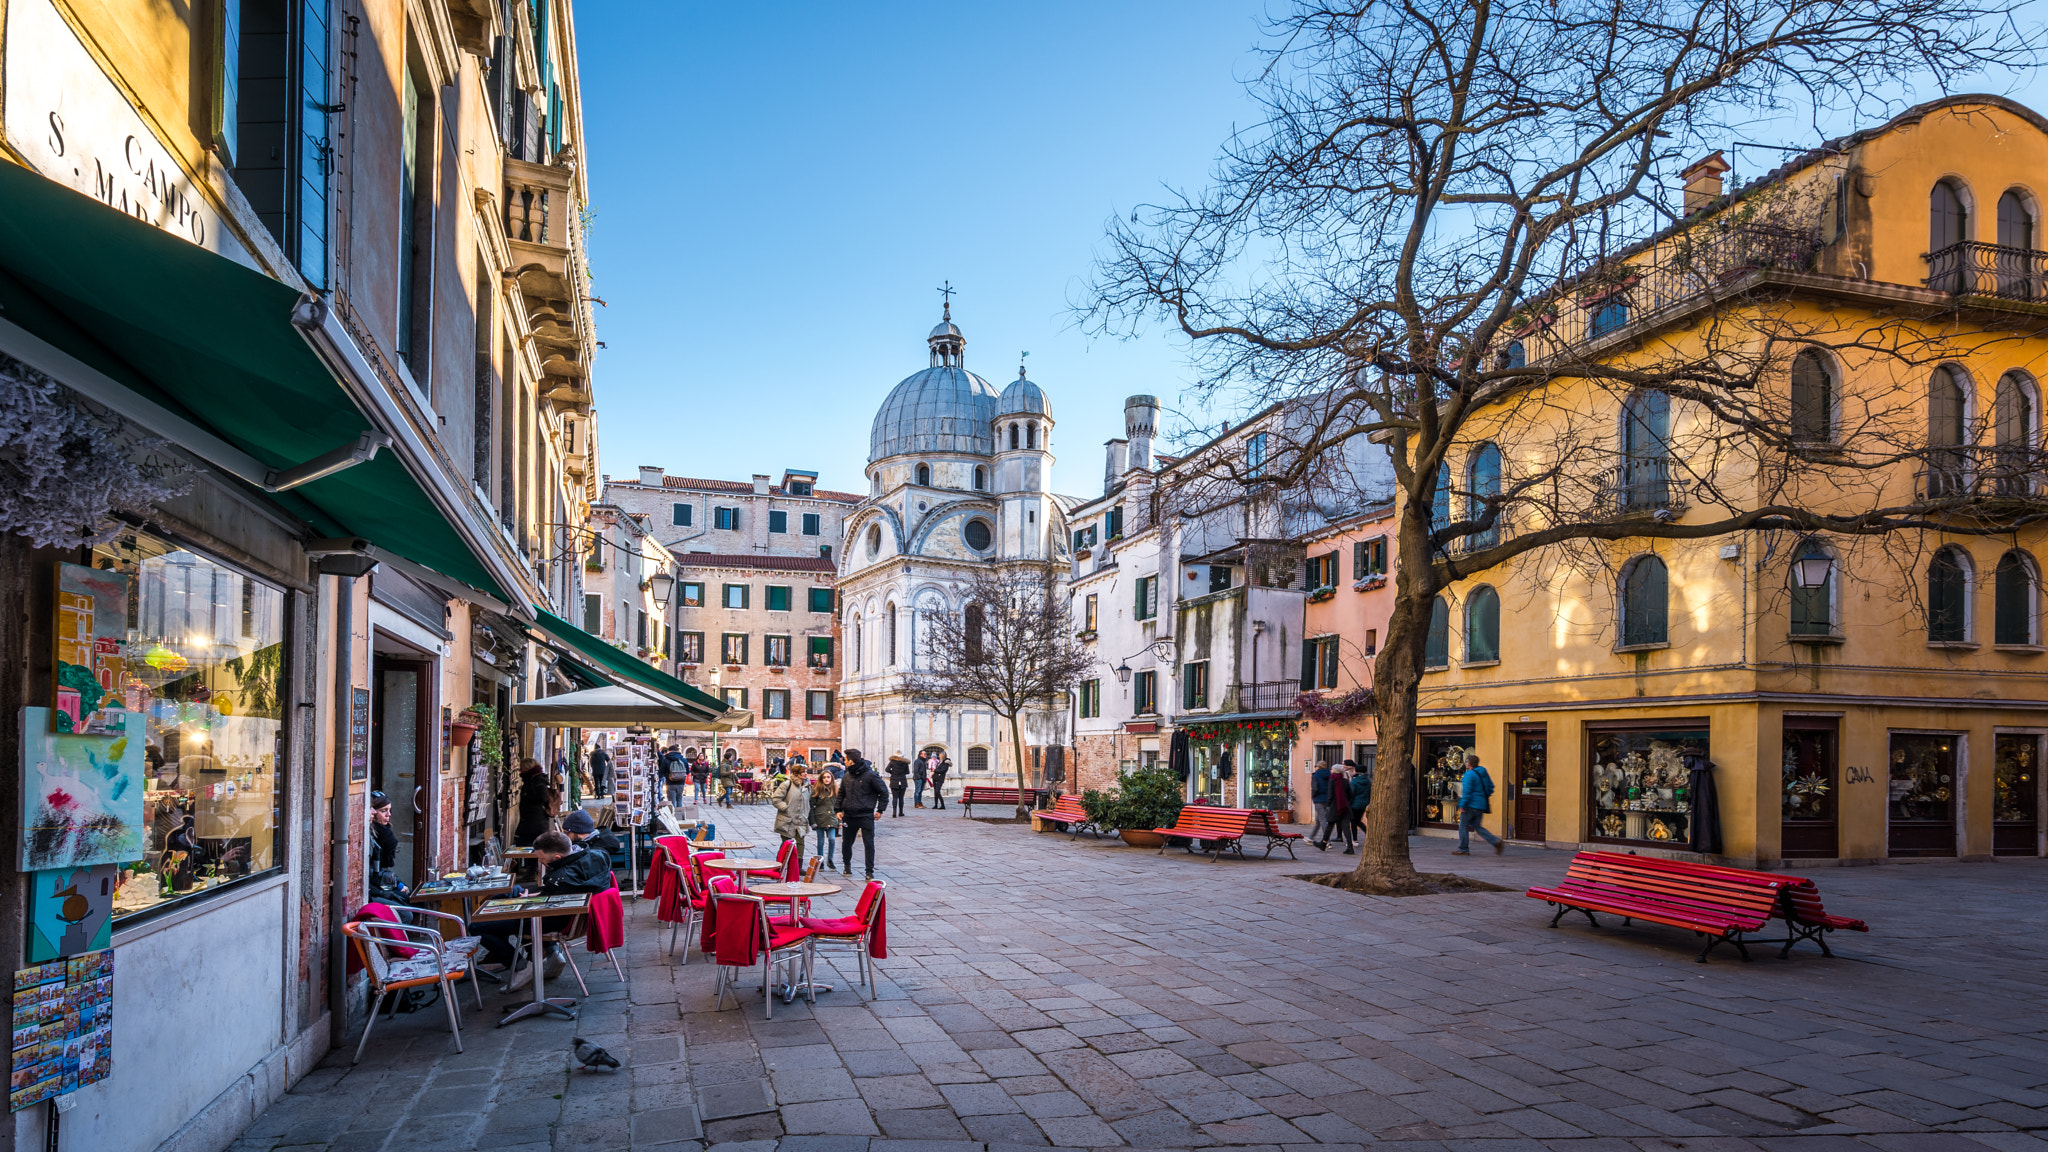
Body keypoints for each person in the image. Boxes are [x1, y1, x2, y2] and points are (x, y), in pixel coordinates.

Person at [474, 830, 611, 988]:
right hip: (566, 908)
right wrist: (532, 894)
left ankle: (522, 965)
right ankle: (550, 952)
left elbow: (552, 895)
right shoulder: (595, 855)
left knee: (477, 926)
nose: (538, 860)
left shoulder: (561, 877)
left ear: (557, 858)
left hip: (551, 918)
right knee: (509, 891)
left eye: (541, 858)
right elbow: (552, 891)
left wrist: (530, 899)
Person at [835, 749, 889, 879]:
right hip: (849, 814)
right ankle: (847, 866)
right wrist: (838, 810)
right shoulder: (847, 776)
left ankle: (869, 871)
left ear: (851, 761)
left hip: (865, 815)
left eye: (846, 760)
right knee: (846, 843)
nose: (844, 761)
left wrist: (880, 810)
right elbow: (841, 793)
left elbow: (884, 792)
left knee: (869, 844)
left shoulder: (870, 775)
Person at [1453, 751, 1503, 856]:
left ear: (1469, 763)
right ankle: (1495, 841)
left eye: (1466, 762)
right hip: (1481, 805)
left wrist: (1462, 804)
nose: (1466, 764)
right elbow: (1490, 787)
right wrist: (1482, 797)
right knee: (1477, 826)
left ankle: (1463, 849)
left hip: (1470, 805)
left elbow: (1466, 792)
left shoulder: (1469, 774)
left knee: (1463, 826)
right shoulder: (1483, 772)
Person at [512, 758, 556, 846]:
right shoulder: (533, 781)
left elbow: (543, 797)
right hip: (531, 825)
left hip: (534, 827)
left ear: (528, 768)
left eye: (522, 768)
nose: (520, 771)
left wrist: (529, 798)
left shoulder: (537, 782)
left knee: (532, 853)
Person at [368, 791, 401, 891]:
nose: (388, 814)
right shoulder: (372, 835)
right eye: (383, 811)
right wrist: (399, 885)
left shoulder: (385, 830)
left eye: (389, 810)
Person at [810, 769, 840, 860]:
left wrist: (840, 820)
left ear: (831, 778)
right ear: (821, 779)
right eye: (824, 777)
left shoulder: (835, 790)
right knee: (820, 842)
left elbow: (840, 806)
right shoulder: (817, 790)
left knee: (832, 839)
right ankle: (820, 861)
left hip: (832, 818)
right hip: (820, 818)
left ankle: (830, 859)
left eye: (828, 777)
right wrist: (812, 821)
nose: (826, 779)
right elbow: (811, 806)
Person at [1327, 762, 1355, 854]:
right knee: (1346, 827)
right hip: (1345, 807)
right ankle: (1350, 846)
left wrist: (1329, 805)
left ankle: (1324, 843)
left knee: (1330, 825)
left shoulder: (1332, 780)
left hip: (1336, 808)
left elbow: (1330, 795)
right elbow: (1350, 795)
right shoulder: (1345, 781)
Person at [1308, 760, 1337, 850]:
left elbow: (1315, 788)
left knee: (1323, 820)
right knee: (1319, 819)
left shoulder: (1315, 775)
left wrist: (1313, 796)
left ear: (1318, 767)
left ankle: (1327, 841)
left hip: (1319, 799)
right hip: (1328, 799)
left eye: (1316, 766)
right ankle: (1310, 837)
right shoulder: (1330, 774)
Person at [1345, 759, 1372, 844]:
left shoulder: (1355, 781)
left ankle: (1355, 840)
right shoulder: (1368, 781)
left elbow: (1351, 793)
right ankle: (1368, 835)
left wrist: (1348, 803)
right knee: (1358, 821)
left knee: (1354, 822)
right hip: (1364, 804)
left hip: (1354, 804)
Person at [661, 744, 688, 809]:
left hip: (670, 782)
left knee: (671, 801)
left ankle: (673, 816)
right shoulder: (683, 759)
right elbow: (687, 771)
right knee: (679, 799)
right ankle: (679, 814)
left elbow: (661, 771)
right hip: (681, 782)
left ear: (669, 751)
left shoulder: (666, 759)